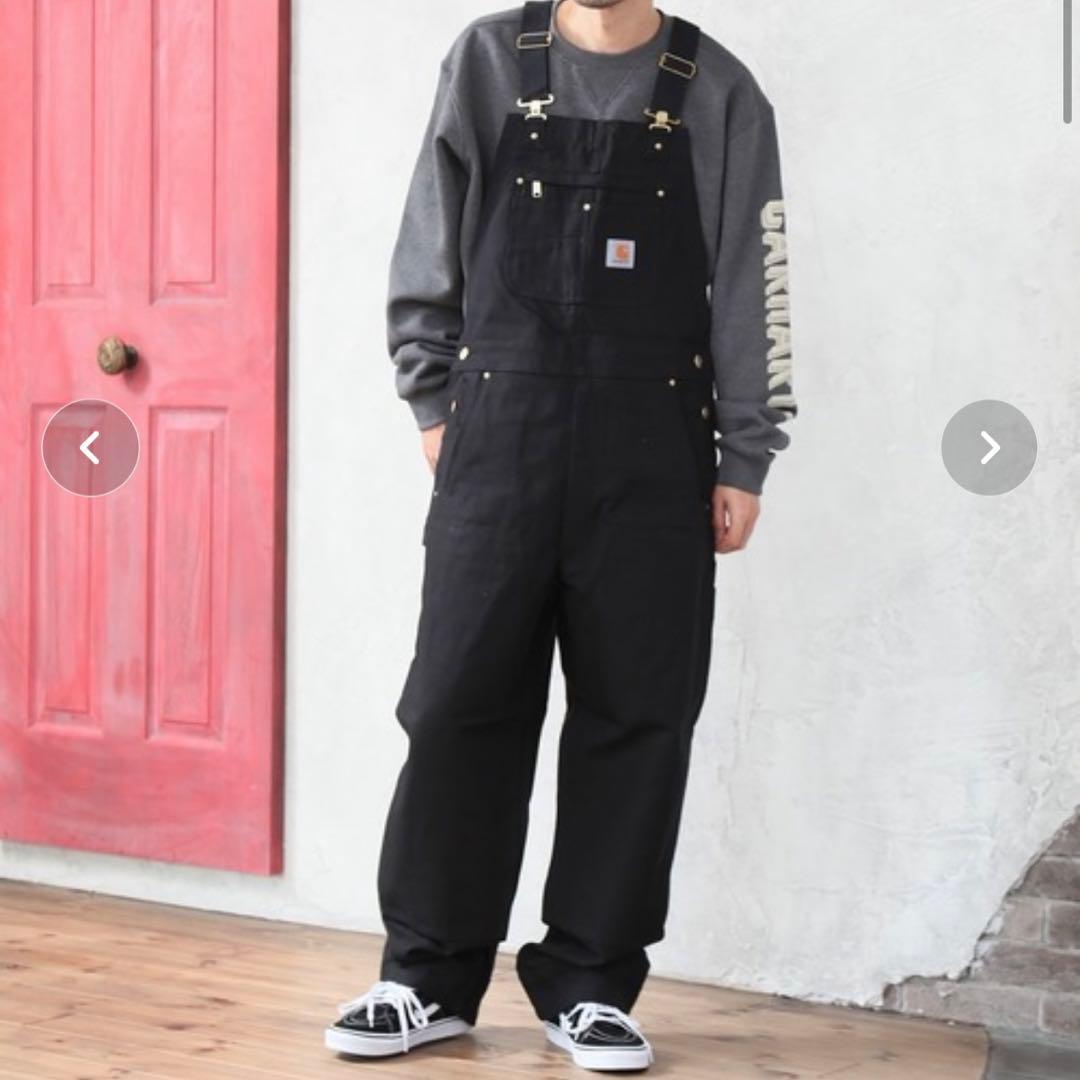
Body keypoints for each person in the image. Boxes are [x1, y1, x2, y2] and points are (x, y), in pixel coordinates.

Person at [325, 0, 795, 1071]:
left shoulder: (721, 92)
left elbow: (753, 277)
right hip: (499, 441)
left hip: (658, 456)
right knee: (457, 704)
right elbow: (430, 232)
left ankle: (591, 985)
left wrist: (745, 454)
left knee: (638, 716)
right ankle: (425, 977)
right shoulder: (489, 61)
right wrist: (433, 400)